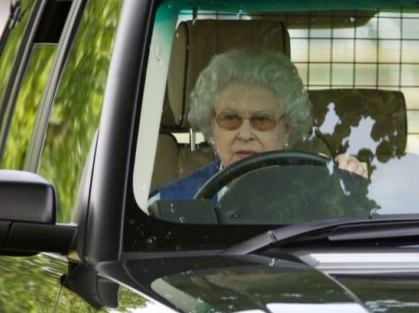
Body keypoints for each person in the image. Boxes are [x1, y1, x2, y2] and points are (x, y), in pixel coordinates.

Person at [150, 47, 365, 201]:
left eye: (262, 120)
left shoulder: (319, 191)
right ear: (212, 126)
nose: (245, 134)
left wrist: (352, 189)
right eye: (230, 118)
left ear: (287, 127)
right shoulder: (168, 204)